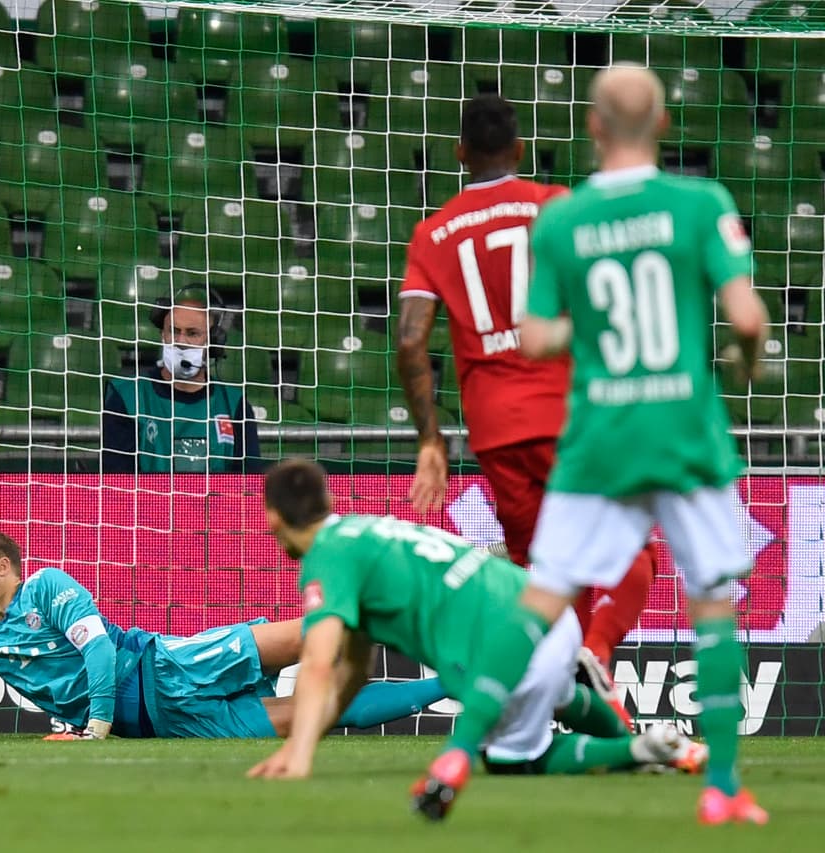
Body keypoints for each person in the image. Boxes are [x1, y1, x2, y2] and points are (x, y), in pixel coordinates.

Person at [416, 65, 770, 825]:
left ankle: (458, 751)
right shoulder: (700, 202)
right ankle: (725, 787)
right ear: (666, 124)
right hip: (684, 430)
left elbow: (537, 334)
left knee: (539, 594)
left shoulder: (566, 224)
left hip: (593, 430)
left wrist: (601, 334)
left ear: (594, 128)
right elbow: (745, 321)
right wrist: (747, 359)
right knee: (710, 601)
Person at [246, 459, 705, 793]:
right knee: (555, 695)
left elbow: (320, 662)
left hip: (505, 648)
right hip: (546, 610)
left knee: (514, 760)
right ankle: (635, 738)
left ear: (272, 516)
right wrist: (307, 739)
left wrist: (300, 754)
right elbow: (354, 670)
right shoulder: (365, 531)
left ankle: (642, 750)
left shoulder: (326, 558)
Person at [396, 92, 656, 680]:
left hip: (493, 431)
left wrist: (431, 441)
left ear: (460, 153)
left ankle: (575, 694)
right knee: (632, 551)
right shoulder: (556, 206)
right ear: (518, 148)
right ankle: (601, 653)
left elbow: (411, 339)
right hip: (567, 417)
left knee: (547, 568)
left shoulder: (433, 234)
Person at [0, 528, 446, 740]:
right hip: (169, 725)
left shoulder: (49, 586)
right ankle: (455, 684)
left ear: (5, 564)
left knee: (306, 637)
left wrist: (94, 723)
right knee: (318, 714)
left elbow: (96, 647)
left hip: (167, 669)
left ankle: (427, 605)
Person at [102, 286, 261, 473]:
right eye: (174, 331)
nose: (181, 341)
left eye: (192, 333)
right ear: (163, 335)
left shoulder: (235, 405)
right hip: (148, 502)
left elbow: (250, 485)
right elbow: (117, 485)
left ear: (213, 341)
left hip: (216, 502)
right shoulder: (127, 396)